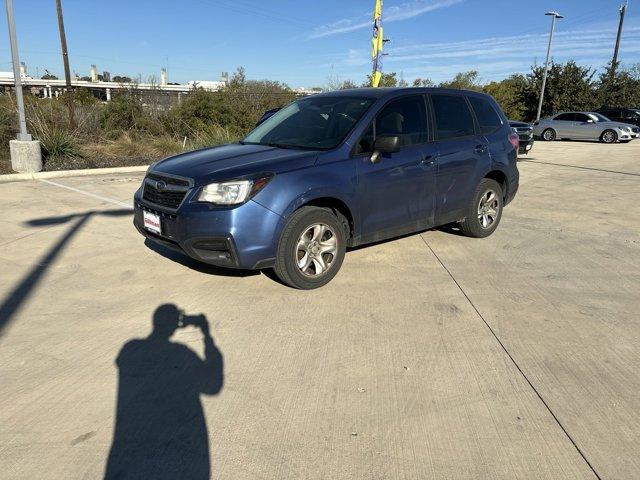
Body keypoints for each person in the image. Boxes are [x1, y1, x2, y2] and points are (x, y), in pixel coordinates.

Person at [104, 304, 224, 479]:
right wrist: (206, 335)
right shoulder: (181, 353)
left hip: (133, 437)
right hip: (179, 438)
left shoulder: (130, 348)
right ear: (176, 325)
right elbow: (213, 387)